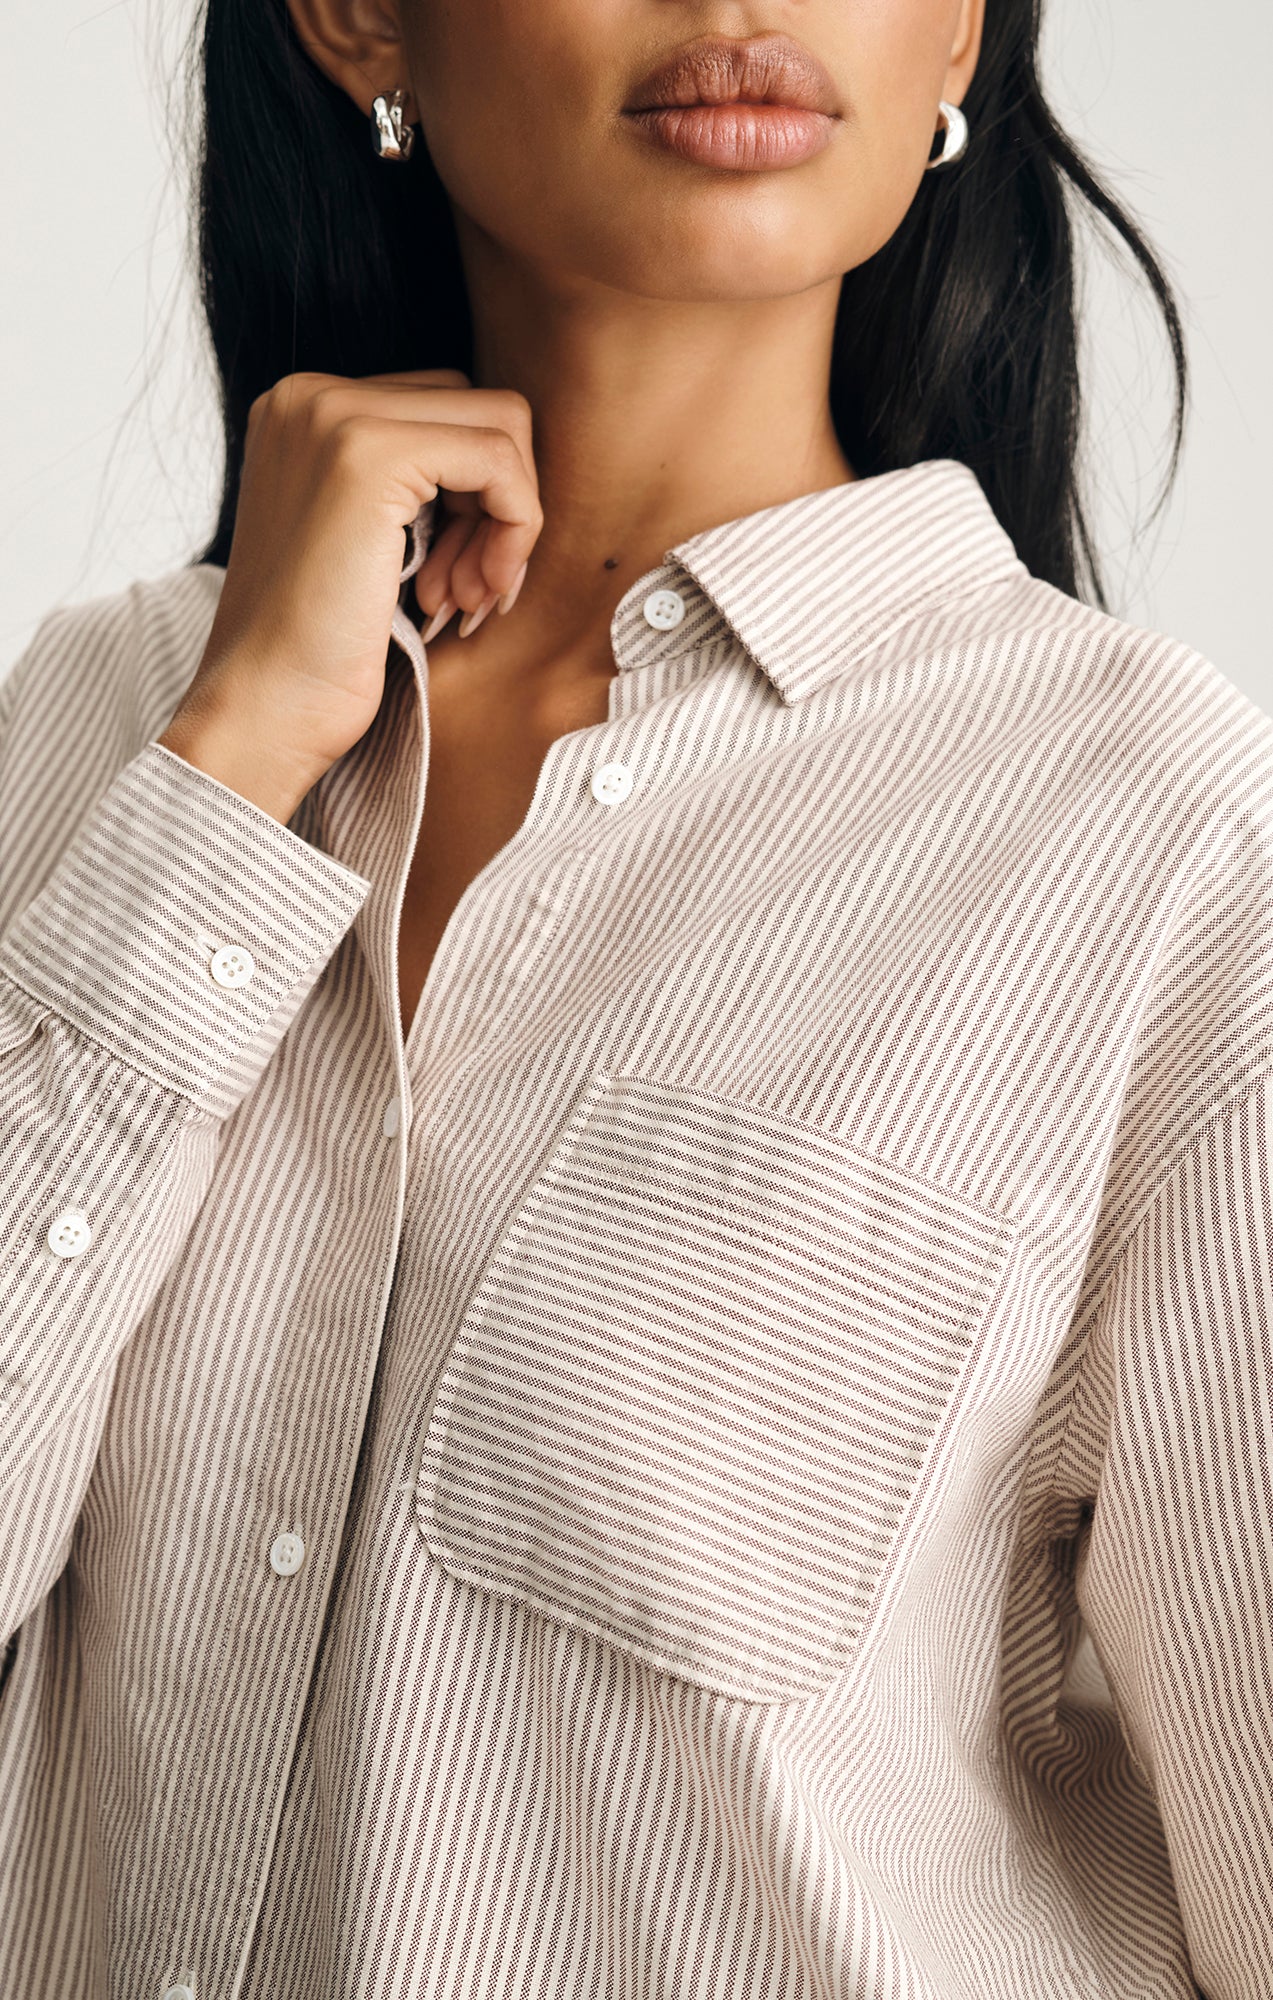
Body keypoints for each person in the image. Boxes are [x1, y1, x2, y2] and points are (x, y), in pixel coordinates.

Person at [1, 0, 1269, 1994]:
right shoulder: (102, 726)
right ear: (355, 19)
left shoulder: (1160, 838)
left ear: (957, 38)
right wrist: (230, 763)